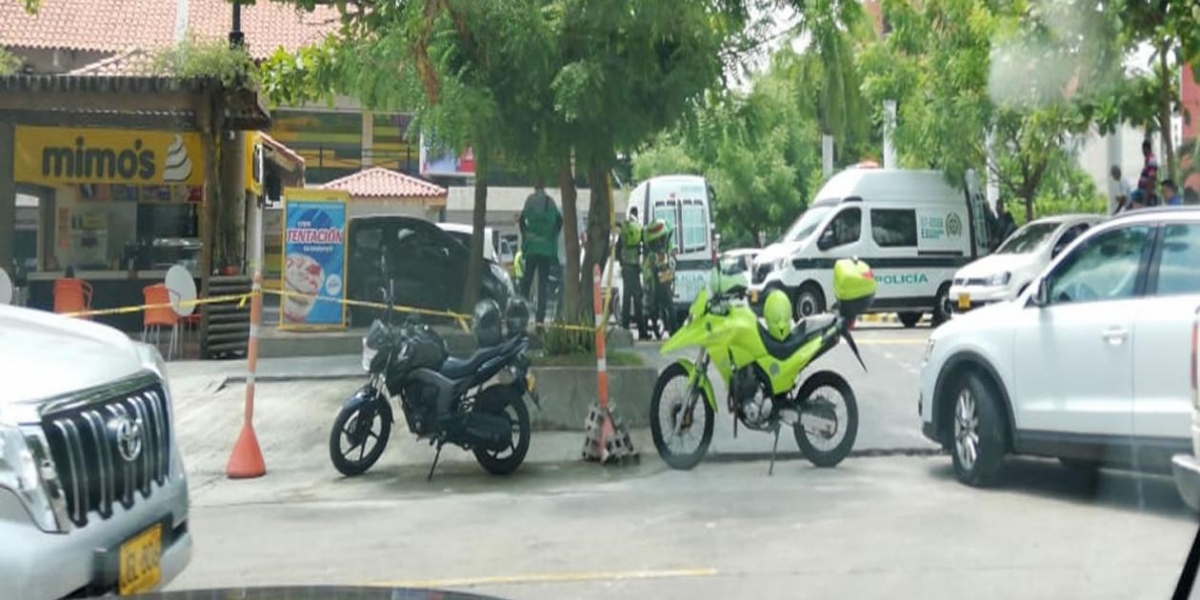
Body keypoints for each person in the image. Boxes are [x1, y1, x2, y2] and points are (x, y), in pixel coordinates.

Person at [518, 178, 563, 328]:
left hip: (531, 248)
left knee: (526, 282)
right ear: (544, 186)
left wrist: (526, 236)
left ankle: (521, 314)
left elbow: (521, 220)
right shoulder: (550, 202)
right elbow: (559, 221)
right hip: (545, 250)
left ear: (534, 185)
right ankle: (540, 319)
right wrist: (552, 238)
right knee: (543, 284)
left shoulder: (529, 201)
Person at [617, 208, 647, 338]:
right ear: (637, 214)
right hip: (635, 268)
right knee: (637, 300)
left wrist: (622, 263)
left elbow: (618, 249)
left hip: (626, 268)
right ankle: (642, 331)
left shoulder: (624, 229)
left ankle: (625, 328)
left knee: (626, 299)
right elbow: (644, 248)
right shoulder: (638, 229)